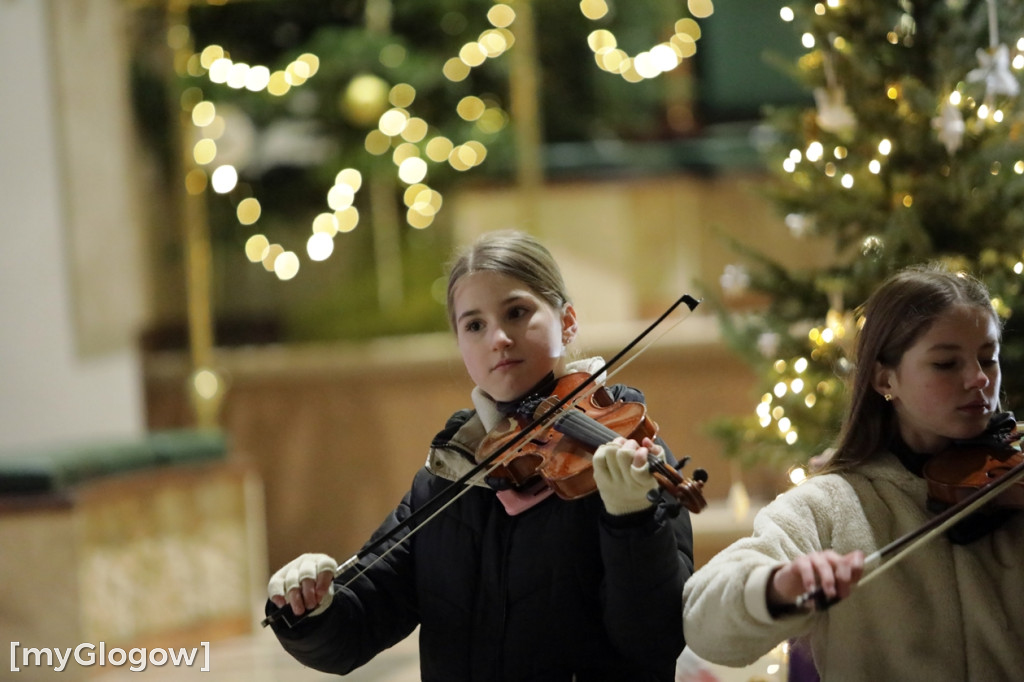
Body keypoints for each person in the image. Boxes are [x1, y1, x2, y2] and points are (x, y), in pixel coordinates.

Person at [266, 230, 695, 681]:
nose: (499, 338)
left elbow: (655, 641)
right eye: (474, 325)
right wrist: (306, 606)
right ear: (461, 345)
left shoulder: (622, 453)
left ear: (567, 322)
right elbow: (358, 626)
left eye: (517, 312)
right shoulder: (452, 469)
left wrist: (631, 520)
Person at [681, 262, 1024, 680]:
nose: (978, 379)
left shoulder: (1010, 482)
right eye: (946, 364)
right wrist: (776, 587)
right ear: (885, 378)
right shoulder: (832, 504)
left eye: (987, 359)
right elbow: (703, 624)